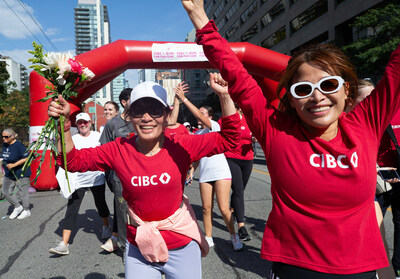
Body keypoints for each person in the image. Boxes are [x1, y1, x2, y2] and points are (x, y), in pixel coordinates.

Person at [181, 0, 400, 277]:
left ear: (346, 90)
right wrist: (198, 16)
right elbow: (237, 75)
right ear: (293, 100)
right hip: (295, 267)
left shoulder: (366, 123)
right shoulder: (276, 130)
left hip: (359, 267)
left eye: (328, 85)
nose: (317, 97)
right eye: (304, 89)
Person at [48, 80, 240, 278]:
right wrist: (63, 126)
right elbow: (72, 162)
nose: (147, 118)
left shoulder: (181, 145)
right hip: (139, 247)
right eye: (138, 110)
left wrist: (225, 95)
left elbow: (231, 138)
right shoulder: (119, 148)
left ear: (166, 115)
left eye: (155, 110)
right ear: (130, 117)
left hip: (181, 245)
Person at [174, 79, 243, 251]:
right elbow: (197, 157)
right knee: (206, 208)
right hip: (205, 174)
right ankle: (208, 237)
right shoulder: (198, 134)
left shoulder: (215, 127)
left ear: (210, 117)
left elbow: (198, 115)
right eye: (201, 113)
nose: (200, 115)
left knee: (223, 208)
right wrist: (191, 170)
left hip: (221, 172)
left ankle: (233, 235)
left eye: (203, 113)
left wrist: (183, 99)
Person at [49, 112, 111, 255]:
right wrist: (59, 133)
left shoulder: (98, 136)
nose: (83, 125)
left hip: (97, 178)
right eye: (80, 123)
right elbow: (61, 151)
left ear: (91, 123)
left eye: (86, 122)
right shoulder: (73, 138)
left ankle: (106, 226)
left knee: (100, 204)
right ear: (76, 125)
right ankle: (64, 244)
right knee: (72, 209)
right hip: (78, 180)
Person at [99, 88, 135, 254]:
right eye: (133, 99)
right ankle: (124, 247)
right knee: (122, 212)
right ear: (124, 102)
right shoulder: (112, 124)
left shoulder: (141, 120)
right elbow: (104, 150)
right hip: (119, 177)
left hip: (141, 174)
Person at [218, 103, 254, 242]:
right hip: (231, 157)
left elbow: (255, 135)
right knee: (238, 190)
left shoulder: (249, 119)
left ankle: (232, 211)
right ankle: (241, 227)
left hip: (248, 158)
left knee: (240, 190)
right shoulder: (225, 120)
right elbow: (219, 136)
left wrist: (255, 139)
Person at [1, 128, 31, 220]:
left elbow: (27, 158)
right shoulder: (5, 145)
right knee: (5, 191)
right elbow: (3, 156)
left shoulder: (19, 146)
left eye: (6, 137)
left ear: (13, 136)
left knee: (22, 192)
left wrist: (14, 164)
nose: (4, 138)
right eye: (2, 136)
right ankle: (18, 207)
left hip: (21, 172)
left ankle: (26, 210)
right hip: (9, 173)